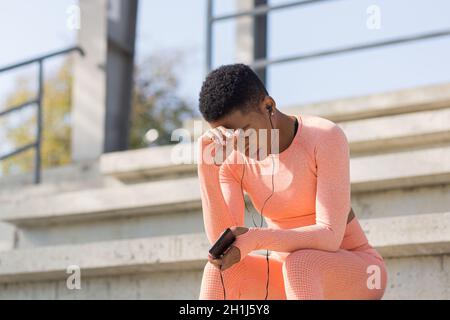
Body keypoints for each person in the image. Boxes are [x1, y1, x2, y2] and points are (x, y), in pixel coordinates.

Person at [196, 63, 387, 300]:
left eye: (245, 130)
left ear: (268, 106)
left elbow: (329, 236)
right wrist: (206, 170)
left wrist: (256, 238)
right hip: (288, 277)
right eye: (230, 137)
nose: (240, 143)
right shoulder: (234, 163)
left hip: (357, 272)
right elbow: (225, 245)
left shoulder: (323, 136)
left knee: (301, 264)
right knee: (218, 273)